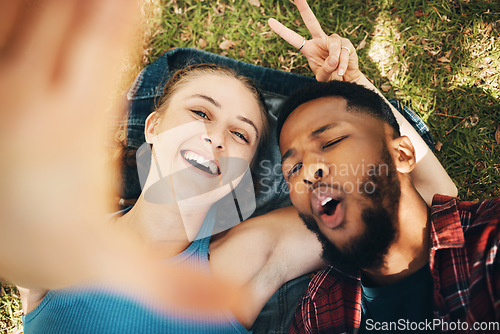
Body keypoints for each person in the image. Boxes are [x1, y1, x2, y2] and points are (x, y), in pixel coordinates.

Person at [5, 0, 458, 333]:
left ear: (244, 172)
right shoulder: (61, 241)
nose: (216, 137)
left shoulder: (245, 260)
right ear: (154, 126)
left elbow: (434, 207)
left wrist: (357, 92)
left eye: (241, 134)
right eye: (200, 113)